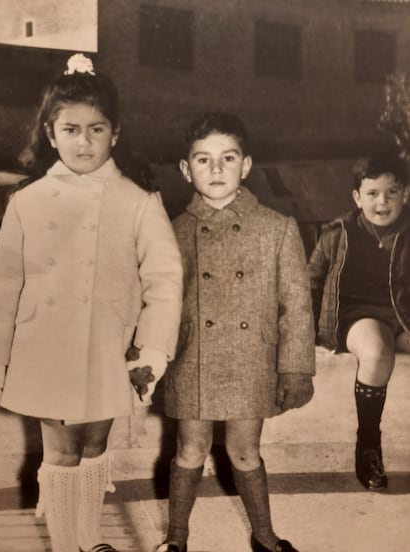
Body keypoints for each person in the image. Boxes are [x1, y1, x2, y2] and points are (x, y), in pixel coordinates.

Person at [0, 53, 183, 552]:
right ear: (51, 133)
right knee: (60, 451)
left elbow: (165, 280)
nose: (84, 142)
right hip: (44, 348)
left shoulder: (138, 201)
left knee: (95, 445)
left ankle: (87, 539)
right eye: (71, 129)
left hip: (108, 347)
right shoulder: (27, 201)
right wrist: (0, 359)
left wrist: (152, 350)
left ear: (115, 133)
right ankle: (66, 545)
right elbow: (4, 287)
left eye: (96, 129)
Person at [157, 111, 316, 552]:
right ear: (186, 170)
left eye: (228, 158)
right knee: (189, 449)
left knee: (245, 452)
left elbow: (298, 308)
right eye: (203, 160)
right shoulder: (170, 231)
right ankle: (176, 538)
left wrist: (296, 369)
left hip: (251, 360)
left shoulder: (278, 228)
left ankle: (264, 535)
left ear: (246, 166)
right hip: (193, 360)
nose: (217, 170)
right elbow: (158, 302)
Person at [308, 152, 410, 491]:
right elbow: (310, 282)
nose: (382, 202)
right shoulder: (339, 232)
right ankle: (368, 445)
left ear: (406, 194)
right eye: (372, 193)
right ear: (357, 197)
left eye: (392, 192)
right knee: (378, 351)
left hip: (404, 315)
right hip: (359, 316)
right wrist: (300, 332)